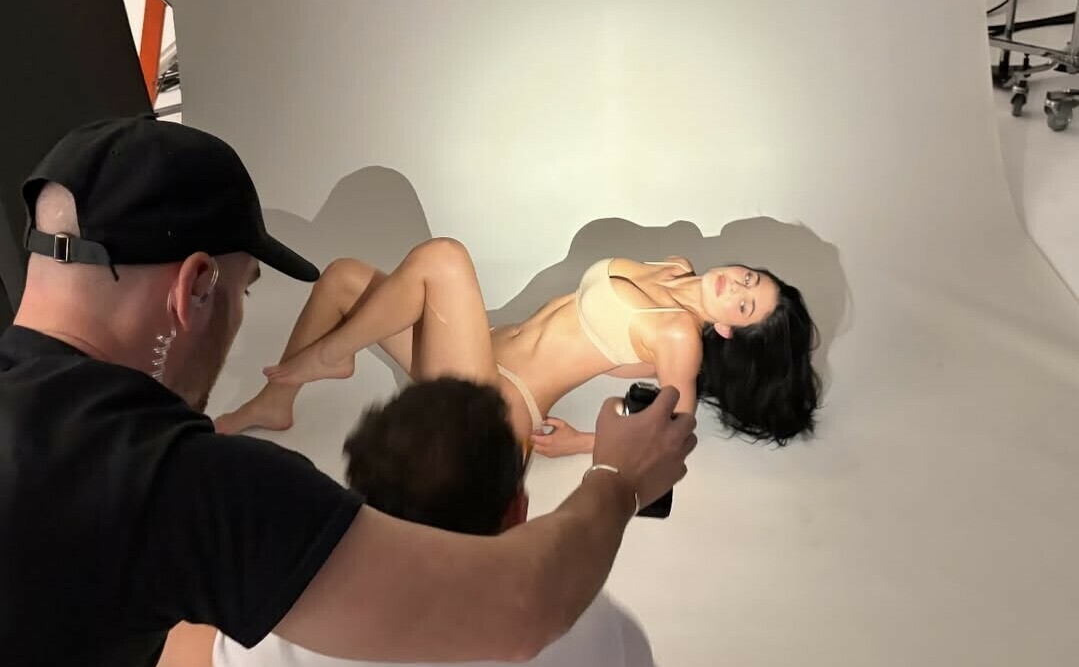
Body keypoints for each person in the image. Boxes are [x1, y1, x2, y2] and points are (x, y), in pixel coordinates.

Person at [0, 115, 695, 667]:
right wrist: (618, 478)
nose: (238, 317)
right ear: (196, 286)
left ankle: (302, 378)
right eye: (245, 291)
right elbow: (524, 608)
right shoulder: (185, 480)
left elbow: (185, 648)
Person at [160, 377, 693, 667]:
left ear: (360, 506)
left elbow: (181, 664)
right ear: (518, 509)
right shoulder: (587, 619)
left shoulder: (301, 618)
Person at [216, 241, 820, 457]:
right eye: (750, 280)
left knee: (443, 259)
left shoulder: (679, 336)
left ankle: (334, 356)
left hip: (496, 409)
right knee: (343, 277)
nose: (735, 287)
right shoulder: (675, 267)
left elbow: (674, 432)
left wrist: (583, 443)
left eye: (745, 305)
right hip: (479, 355)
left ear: (729, 330)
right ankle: (276, 401)